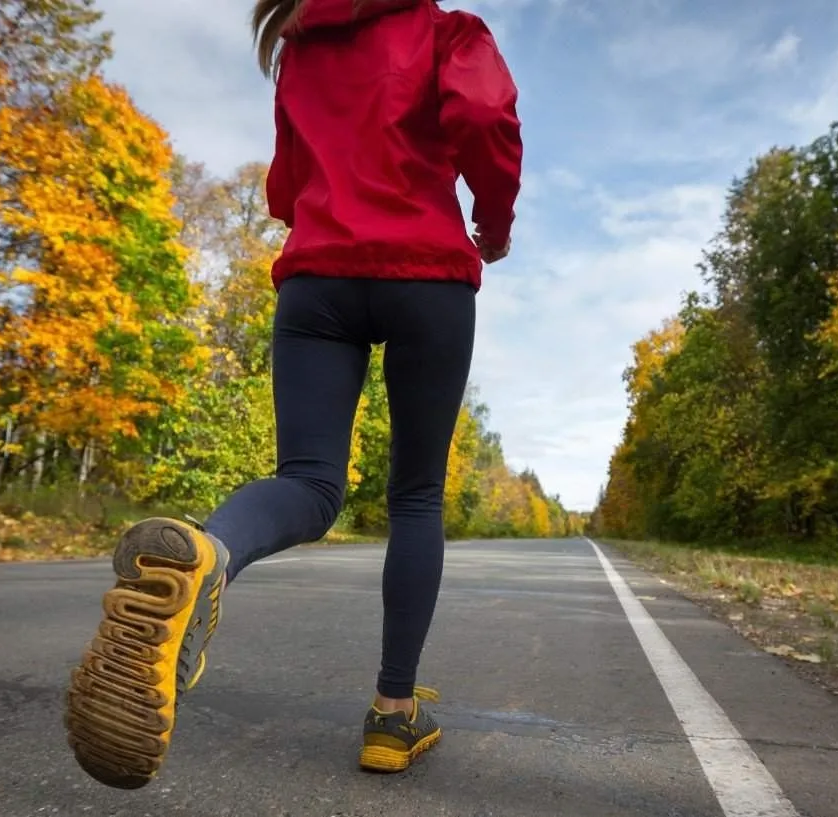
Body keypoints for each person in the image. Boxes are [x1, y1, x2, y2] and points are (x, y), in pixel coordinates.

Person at [63, 0, 522, 789]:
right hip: (426, 274)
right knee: (415, 496)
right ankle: (392, 711)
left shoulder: (299, 43)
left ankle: (211, 553)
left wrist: (328, 210)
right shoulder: (447, 31)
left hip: (317, 281)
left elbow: (287, 185)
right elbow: (486, 117)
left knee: (308, 482)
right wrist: (495, 219)